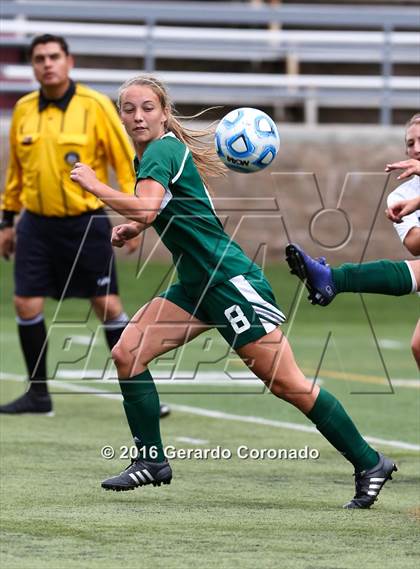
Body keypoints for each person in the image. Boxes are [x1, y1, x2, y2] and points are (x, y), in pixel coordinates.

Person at [69, 74, 396, 509]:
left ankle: (368, 461)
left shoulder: (163, 149)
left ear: (164, 112)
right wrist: (136, 224)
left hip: (228, 283)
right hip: (195, 282)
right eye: (129, 108)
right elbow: (163, 208)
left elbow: (149, 204)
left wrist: (96, 186)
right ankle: (152, 460)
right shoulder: (154, 154)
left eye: (147, 107)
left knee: (289, 385)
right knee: (127, 352)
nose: (138, 115)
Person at [0, 34, 170, 418]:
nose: (47, 63)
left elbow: (129, 159)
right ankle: (38, 395)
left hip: (85, 223)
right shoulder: (25, 109)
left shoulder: (94, 106)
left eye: (54, 56)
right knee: (24, 302)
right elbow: (16, 172)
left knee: (107, 305)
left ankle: (143, 396)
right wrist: (6, 220)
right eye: (39, 58)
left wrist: (136, 213)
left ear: (69, 61)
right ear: (32, 65)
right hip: (35, 225)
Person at [285, 117, 420, 368]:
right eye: (411, 143)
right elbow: (414, 244)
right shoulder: (402, 196)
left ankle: (335, 280)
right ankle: (333, 280)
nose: (417, 148)